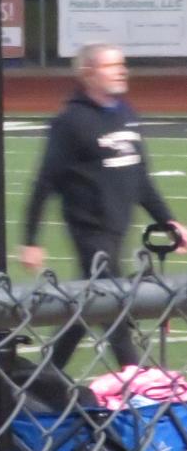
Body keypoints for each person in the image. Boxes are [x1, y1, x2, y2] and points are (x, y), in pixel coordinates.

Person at [22, 44, 187, 371]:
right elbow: (45, 181)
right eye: (111, 65)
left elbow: (141, 179)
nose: (121, 71)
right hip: (90, 231)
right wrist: (31, 239)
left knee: (88, 306)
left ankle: (46, 374)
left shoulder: (126, 114)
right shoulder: (71, 121)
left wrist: (169, 222)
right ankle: (135, 379)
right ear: (88, 74)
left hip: (118, 227)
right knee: (112, 303)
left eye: (121, 64)